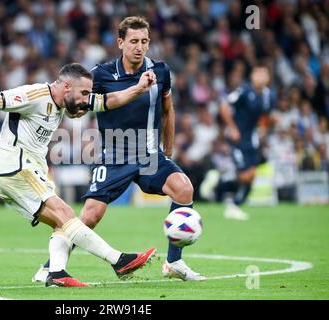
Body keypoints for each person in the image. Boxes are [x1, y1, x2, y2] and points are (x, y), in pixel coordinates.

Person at [0, 63, 158, 287]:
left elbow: (106, 102)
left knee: (62, 223)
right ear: (67, 86)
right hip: (16, 168)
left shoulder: (64, 102)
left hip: (27, 171)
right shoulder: (33, 94)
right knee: (66, 214)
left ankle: (55, 273)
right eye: (84, 92)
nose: (86, 99)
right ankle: (119, 261)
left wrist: (138, 88)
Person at [34, 16, 205, 282]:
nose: (139, 47)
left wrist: (167, 152)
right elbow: (80, 105)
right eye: (134, 41)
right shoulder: (101, 75)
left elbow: (168, 111)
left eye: (145, 41)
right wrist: (81, 108)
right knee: (89, 216)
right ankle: (49, 267)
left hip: (149, 155)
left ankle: (174, 262)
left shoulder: (160, 71)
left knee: (183, 188)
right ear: (120, 42)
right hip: (114, 157)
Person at [201, 65, 276, 220]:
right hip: (238, 138)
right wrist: (233, 128)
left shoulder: (270, 95)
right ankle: (218, 182)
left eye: (264, 73)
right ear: (253, 75)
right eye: (258, 73)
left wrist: (265, 126)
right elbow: (223, 106)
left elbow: (266, 116)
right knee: (244, 175)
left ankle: (235, 205)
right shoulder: (244, 91)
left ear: (268, 77)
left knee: (252, 175)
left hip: (252, 139)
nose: (261, 77)